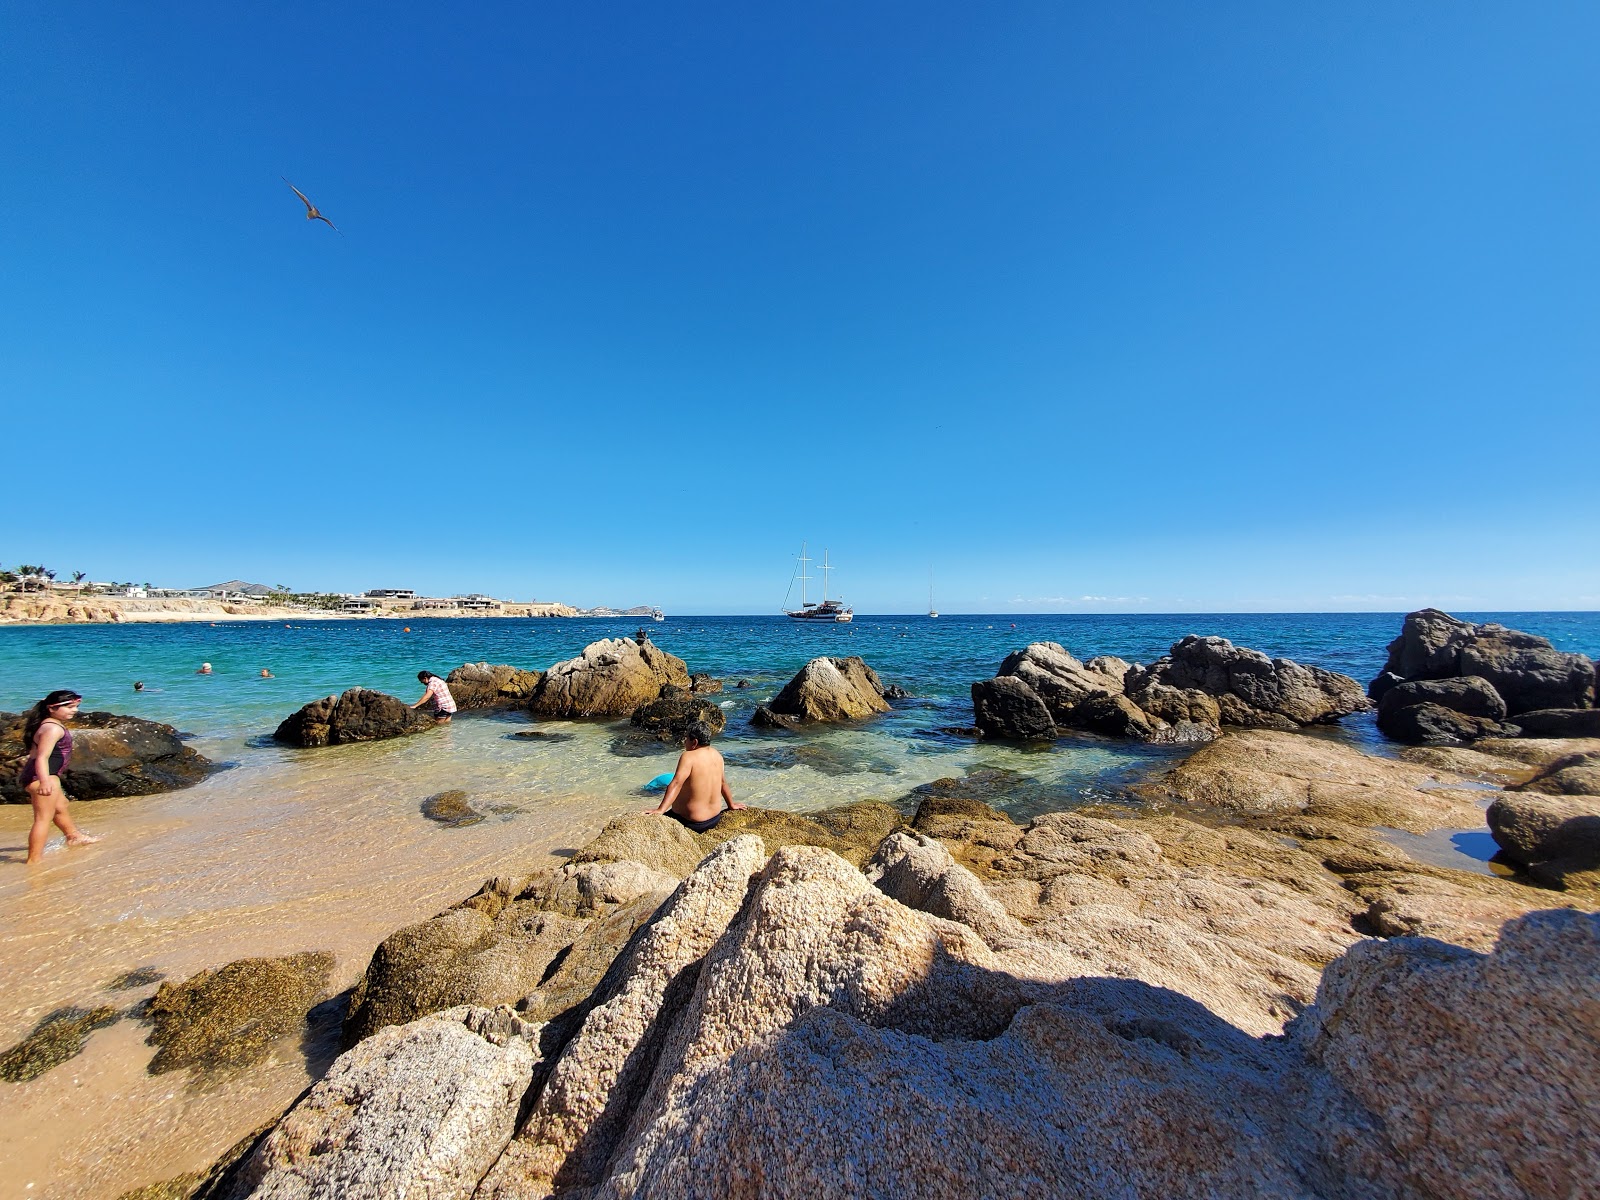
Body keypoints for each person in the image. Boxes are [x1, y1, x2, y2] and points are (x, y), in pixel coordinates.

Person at [18, 690, 100, 864]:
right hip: (42, 776)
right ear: (52, 708)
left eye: (76, 706)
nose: (75, 710)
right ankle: (34, 860)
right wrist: (45, 781)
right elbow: (42, 757)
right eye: (69, 707)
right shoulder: (52, 729)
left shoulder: (47, 724)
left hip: (41, 774)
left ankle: (73, 836)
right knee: (43, 819)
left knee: (61, 805)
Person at [642, 721, 743, 832]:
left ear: (694, 742)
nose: (684, 742)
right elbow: (723, 783)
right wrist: (731, 805)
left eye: (686, 739)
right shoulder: (717, 755)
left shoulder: (688, 756)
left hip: (691, 823)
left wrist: (660, 810)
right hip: (714, 819)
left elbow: (676, 783)